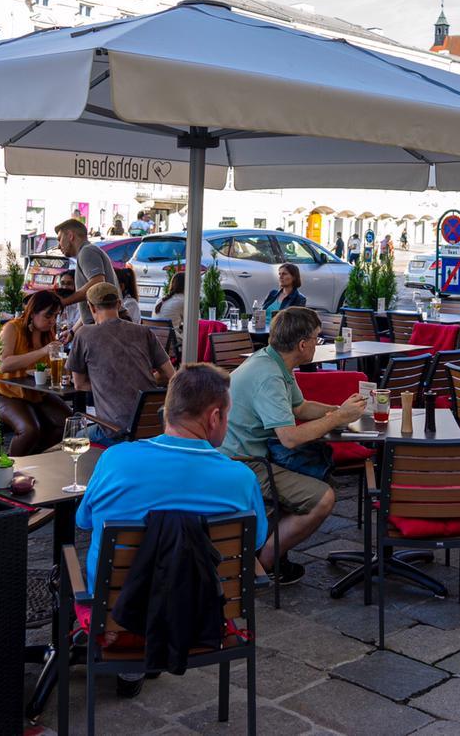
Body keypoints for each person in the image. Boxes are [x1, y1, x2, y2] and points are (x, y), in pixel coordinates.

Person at [75, 364, 267, 698]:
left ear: (169, 411)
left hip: (118, 620)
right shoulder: (241, 478)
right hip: (207, 618)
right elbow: (256, 543)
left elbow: (84, 521)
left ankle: (130, 663)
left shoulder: (115, 459)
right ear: (214, 416)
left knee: (74, 568)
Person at [220, 306, 366, 584]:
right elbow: (289, 437)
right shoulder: (270, 376)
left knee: (310, 474)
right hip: (243, 464)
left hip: (247, 455)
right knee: (323, 497)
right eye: (316, 338)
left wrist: (339, 411)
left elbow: (299, 407)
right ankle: (264, 563)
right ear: (302, 344)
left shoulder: (271, 361)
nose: (316, 343)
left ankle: (265, 549)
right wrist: (338, 416)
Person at [67, 282, 175, 443]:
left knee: (74, 437)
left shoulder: (84, 334)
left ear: (91, 307)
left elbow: (79, 384)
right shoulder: (144, 332)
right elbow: (172, 375)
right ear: (118, 304)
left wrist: (106, 383)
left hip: (115, 431)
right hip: (153, 427)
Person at [0, 289, 71, 456]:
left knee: (68, 423)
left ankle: (34, 457)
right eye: (48, 316)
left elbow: (52, 367)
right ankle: (10, 468)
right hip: (8, 391)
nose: (52, 321)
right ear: (32, 312)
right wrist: (43, 351)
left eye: (56, 316)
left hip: (37, 392)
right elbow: (3, 365)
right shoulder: (12, 328)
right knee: (29, 430)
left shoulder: (48, 333)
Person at [55, 218, 121, 326]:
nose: (58, 246)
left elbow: (97, 285)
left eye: (59, 239)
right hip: (105, 323)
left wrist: (63, 302)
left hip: (106, 324)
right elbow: (92, 302)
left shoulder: (87, 251)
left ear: (70, 236)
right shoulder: (87, 251)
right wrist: (72, 332)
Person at [154, 271, 185, 339]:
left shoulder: (160, 300)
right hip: (173, 344)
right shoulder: (183, 301)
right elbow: (196, 323)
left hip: (157, 342)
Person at [55, 271, 83, 335]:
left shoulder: (81, 304)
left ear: (76, 284)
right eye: (62, 283)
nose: (64, 287)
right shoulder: (57, 302)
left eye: (69, 284)